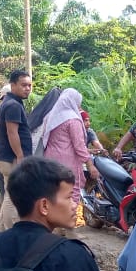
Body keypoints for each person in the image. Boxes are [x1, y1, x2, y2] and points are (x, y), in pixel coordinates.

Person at [37, 88, 90, 216]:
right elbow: (79, 147)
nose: (79, 106)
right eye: (78, 103)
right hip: (68, 163)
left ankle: (56, 225)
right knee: (71, 192)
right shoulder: (73, 120)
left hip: (50, 161)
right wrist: (90, 164)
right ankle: (68, 226)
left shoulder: (51, 116)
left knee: (55, 193)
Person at [0, 69, 34, 231]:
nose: (28, 88)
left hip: (5, 157)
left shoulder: (10, 103)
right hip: (12, 159)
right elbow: (12, 133)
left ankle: (2, 231)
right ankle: (11, 231)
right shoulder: (12, 105)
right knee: (12, 196)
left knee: (9, 195)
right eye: (23, 85)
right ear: (12, 85)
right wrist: (20, 156)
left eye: (30, 85)